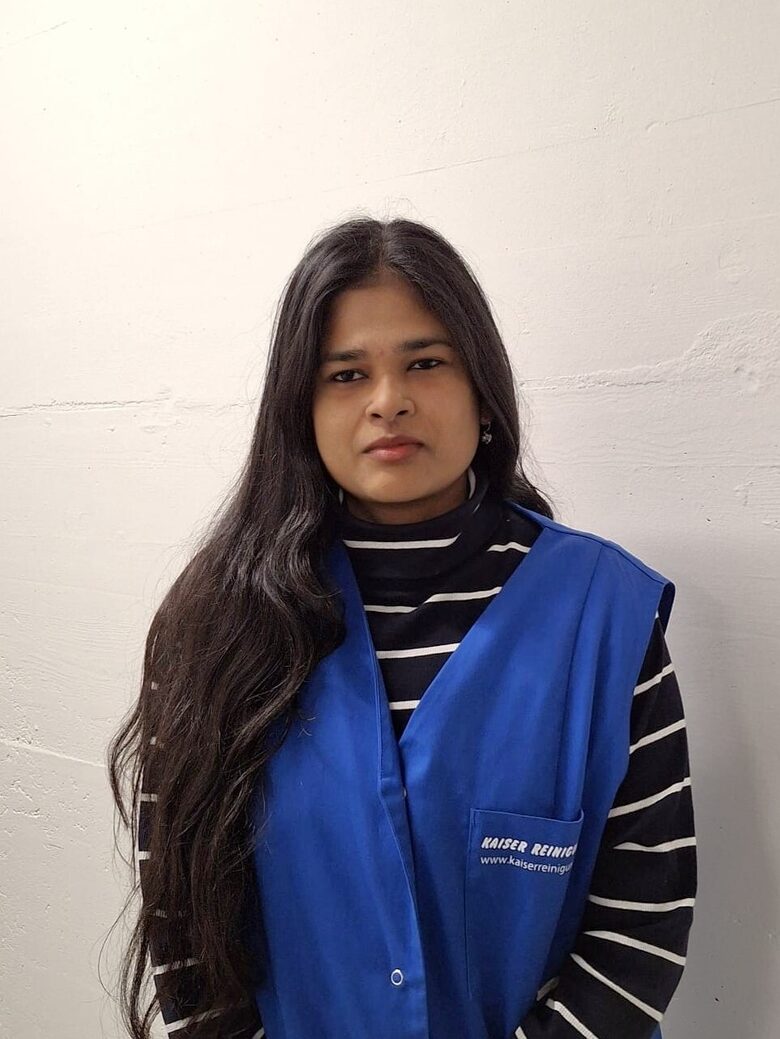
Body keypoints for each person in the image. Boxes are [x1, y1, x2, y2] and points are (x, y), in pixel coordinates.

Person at [108, 216, 696, 1039]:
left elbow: (641, 923)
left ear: (482, 390)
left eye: (425, 362)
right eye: (346, 374)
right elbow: (184, 919)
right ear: (302, 409)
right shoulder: (215, 626)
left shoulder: (608, 619)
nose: (389, 400)